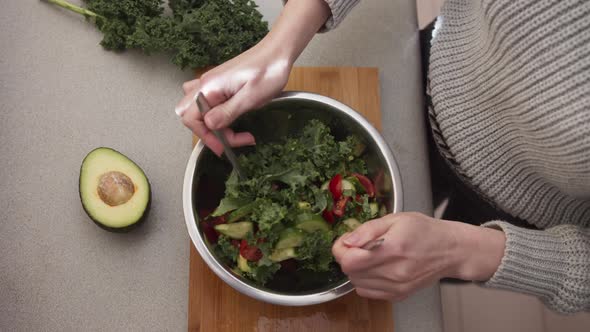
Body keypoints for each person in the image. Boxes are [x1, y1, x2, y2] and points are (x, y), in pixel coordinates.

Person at [175, 0, 589, 313]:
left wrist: (461, 252)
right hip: (435, 64)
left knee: (414, 270)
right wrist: (281, 42)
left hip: (522, 215)